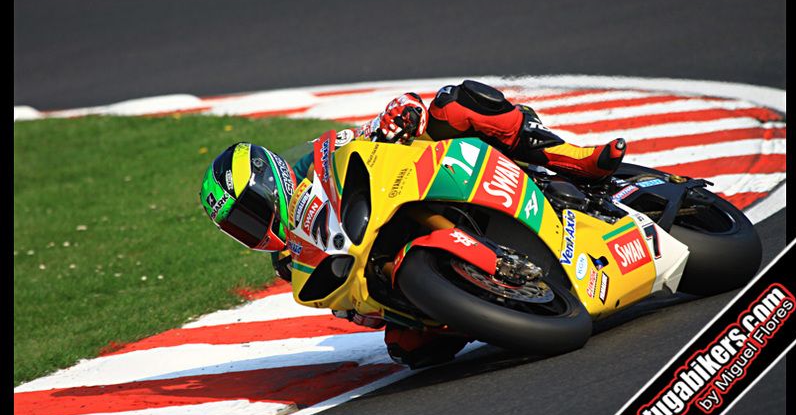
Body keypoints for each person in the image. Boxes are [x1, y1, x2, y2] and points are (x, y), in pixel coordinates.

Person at [199, 80, 626, 368]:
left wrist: (396, 118)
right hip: (399, 262)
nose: (252, 228)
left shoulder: (316, 162)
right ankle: (500, 304)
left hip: (427, 178)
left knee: (452, 103)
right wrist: (369, 309)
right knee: (410, 352)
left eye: (248, 212)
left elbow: (372, 130)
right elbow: (355, 311)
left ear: (267, 179)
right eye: (239, 227)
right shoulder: (291, 263)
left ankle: (575, 158)